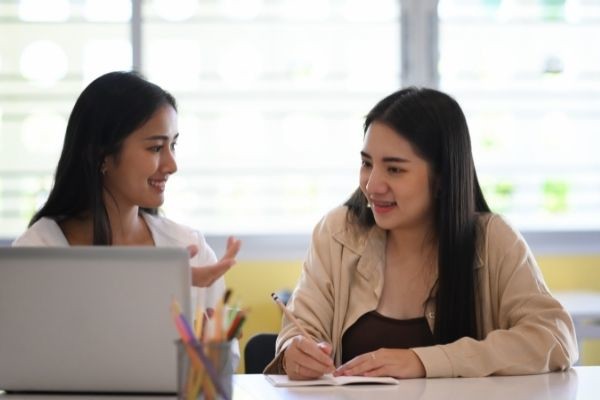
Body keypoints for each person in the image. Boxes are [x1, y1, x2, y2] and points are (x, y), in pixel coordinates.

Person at [264, 87, 578, 379]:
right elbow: (299, 330)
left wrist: (423, 361)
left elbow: (554, 337)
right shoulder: (338, 232)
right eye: (366, 163)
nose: (372, 185)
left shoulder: (492, 240)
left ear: (442, 177)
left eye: (395, 169)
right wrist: (292, 353)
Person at [12, 71, 241, 360]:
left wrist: (213, 348)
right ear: (102, 155)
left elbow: (228, 362)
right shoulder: (37, 252)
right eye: (156, 148)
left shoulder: (189, 247)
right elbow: (24, 364)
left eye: (173, 146)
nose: (172, 164)